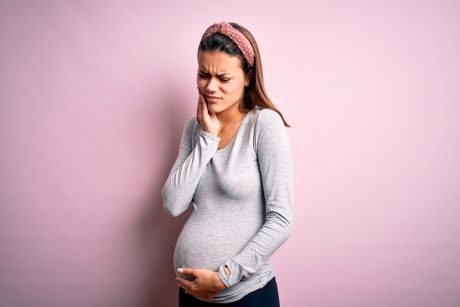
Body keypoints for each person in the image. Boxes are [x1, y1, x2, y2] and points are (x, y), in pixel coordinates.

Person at [161, 21, 294, 307]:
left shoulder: (264, 125)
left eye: (223, 78)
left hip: (246, 296)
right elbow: (173, 204)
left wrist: (224, 276)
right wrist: (207, 139)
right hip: (192, 295)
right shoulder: (194, 129)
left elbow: (281, 220)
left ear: (247, 77)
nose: (210, 87)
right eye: (203, 75)